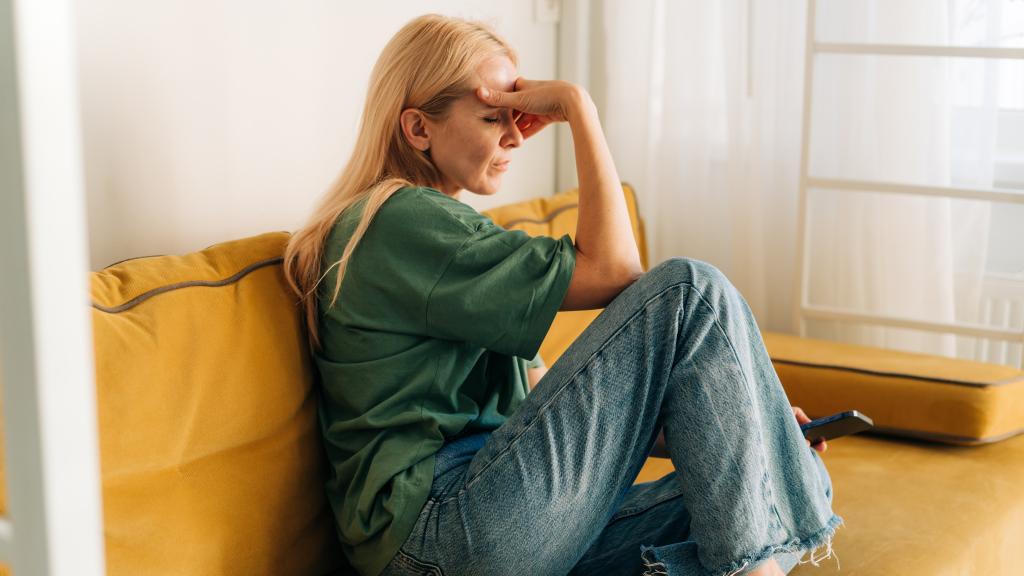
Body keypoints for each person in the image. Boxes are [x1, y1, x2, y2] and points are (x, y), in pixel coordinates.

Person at [283, 13, 843, 576]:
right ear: (418, 128)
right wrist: (579, 110)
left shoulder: (440, 237)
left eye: (517, 116)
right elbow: (618, 270)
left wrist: (743, 419)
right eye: (491, 117)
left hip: (488, 515)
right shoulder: (400, 222)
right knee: (690, 291)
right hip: (439, 531)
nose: (513, 137)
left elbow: (549, 408)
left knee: (790, 478)